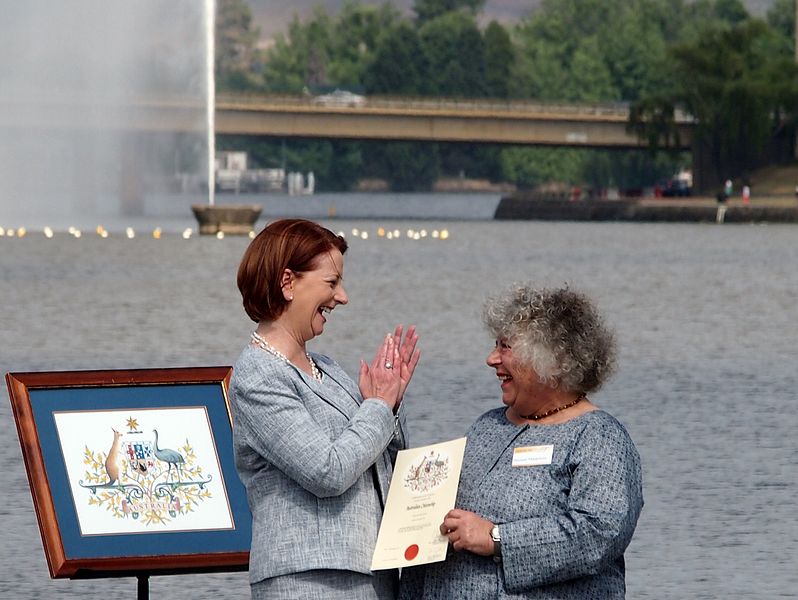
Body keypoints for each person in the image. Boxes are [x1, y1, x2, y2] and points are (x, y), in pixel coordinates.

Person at [399, 284, 642, 599]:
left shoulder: (599, 437)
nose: (491, 359)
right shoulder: (488, 426)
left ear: (550, 359)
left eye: (505, 347)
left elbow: (599, 535)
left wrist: (499, 539)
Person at [230, 218, 420, 600]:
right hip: (308, 580)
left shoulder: (329, 369)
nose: (342, 297)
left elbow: (380, 465)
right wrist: (378, 406)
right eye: (331, 283)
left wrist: (390, 406)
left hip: (372, 572)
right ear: (288, 283)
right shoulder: (257, 375)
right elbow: (326, 470)